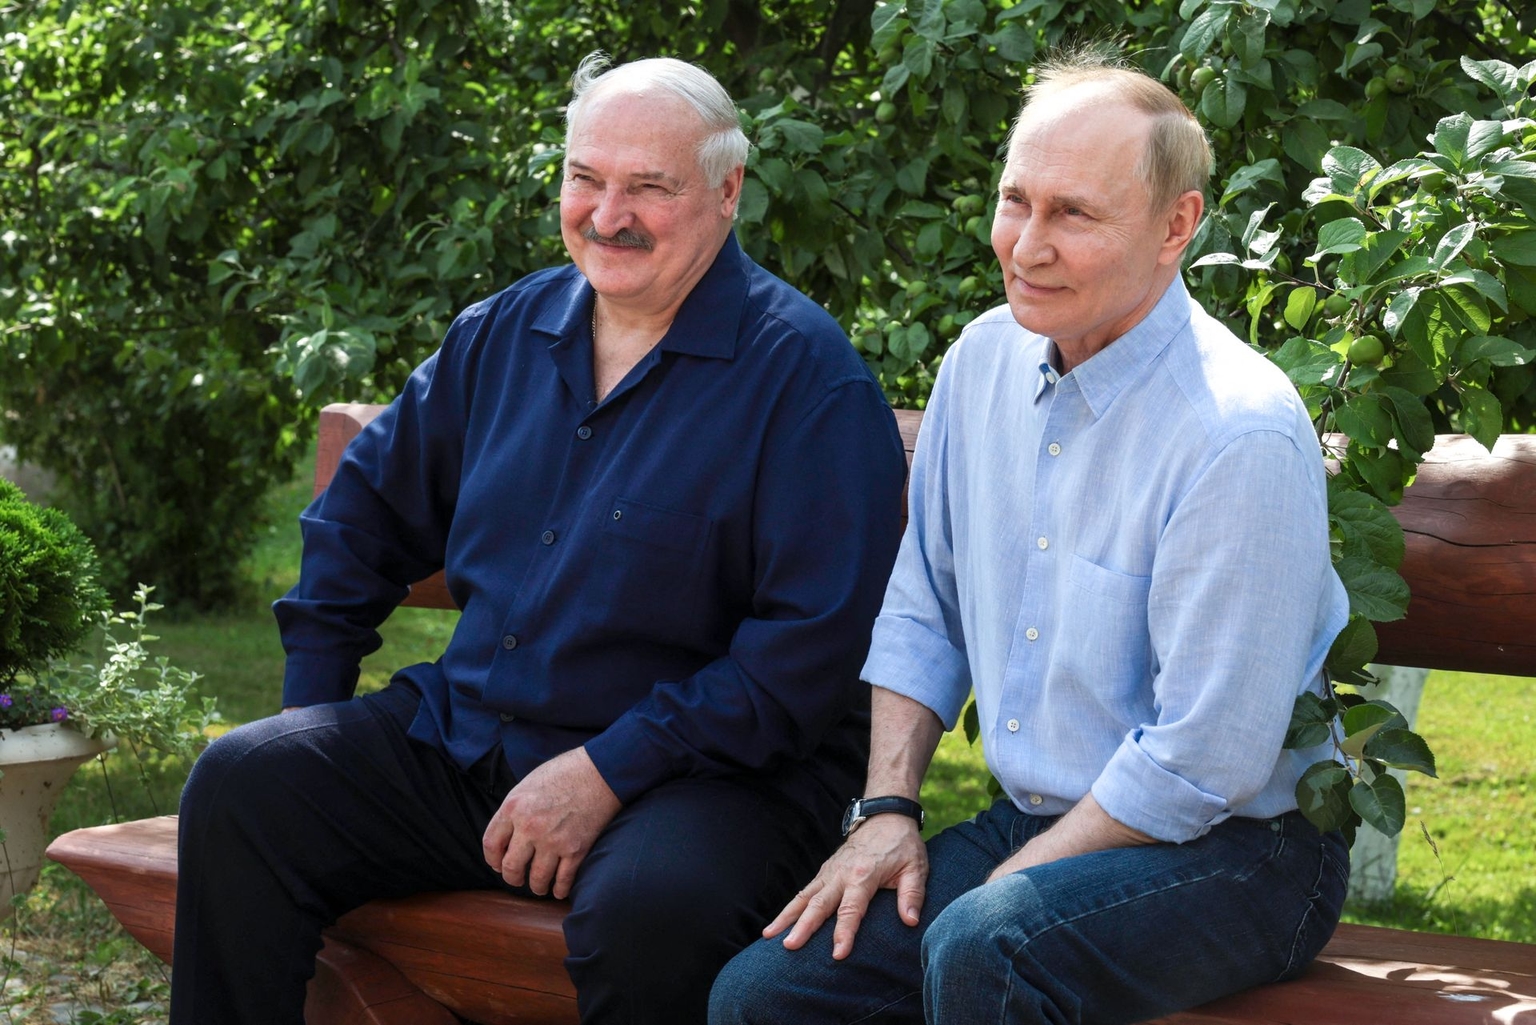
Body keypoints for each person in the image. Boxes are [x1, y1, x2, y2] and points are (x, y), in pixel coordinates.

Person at [169, 53, 908, 1025]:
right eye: (586, 179)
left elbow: (803, 659)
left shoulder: (805, 380)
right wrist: (311, 715)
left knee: (654, 910)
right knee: (248, 784)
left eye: (650, 186)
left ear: (729, 190)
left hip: (710, 777)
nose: (609, 215)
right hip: (478, 736)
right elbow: (359, 518)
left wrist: (609, 768)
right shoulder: (503, 333)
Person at [710, 49, 1351, 1025]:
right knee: (766, 995)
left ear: (1177, 225)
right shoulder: (980, 362)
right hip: (1046, 814)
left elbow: (1203, 760)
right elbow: (925, 598)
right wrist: (886, 810)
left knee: (985, 946)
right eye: (1017, 201)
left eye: (1074, 214)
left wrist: (999, 885)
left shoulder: (1239, 429)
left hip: (1244, 851)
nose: (1027, 244)